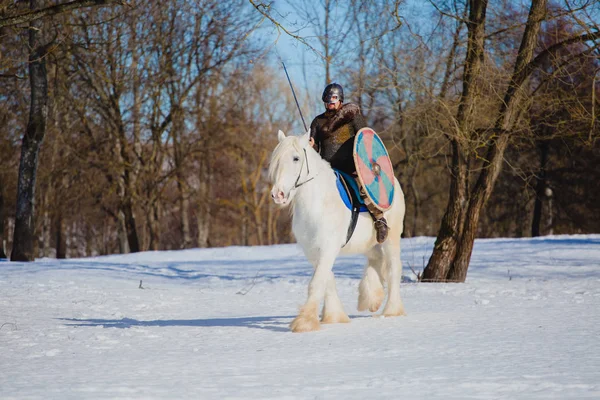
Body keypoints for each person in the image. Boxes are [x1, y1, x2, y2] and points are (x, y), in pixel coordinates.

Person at [309, 83, 388, 243]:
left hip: (352, 166)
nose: (330, 104)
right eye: (328, 101)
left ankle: (379, 219)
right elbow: (315, 148)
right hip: (327, 169)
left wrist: (364, 163)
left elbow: (365, 138)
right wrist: (312, 145)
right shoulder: (317, 122)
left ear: (340, 100)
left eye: (333, 101)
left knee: (363, 187)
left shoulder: (351, 118)